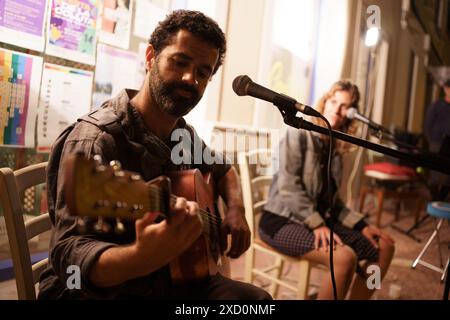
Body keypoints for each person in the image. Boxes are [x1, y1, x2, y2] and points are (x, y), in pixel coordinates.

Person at [38, 10, 271, 300]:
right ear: (150, 57)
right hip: (101, 293)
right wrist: (139, 257)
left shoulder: (181, 135)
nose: (190, 78)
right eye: (180, 62)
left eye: (203, 72)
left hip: (170, 278)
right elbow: (69, 256)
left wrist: (236, 209)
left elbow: (224, 169)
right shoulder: (96, 140)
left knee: (257, 302)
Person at [259, 80, 395, 300]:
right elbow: (288, 186)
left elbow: (334, 202)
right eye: (334, 101)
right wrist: (317, 224)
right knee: (344, 258)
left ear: (351, 114)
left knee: (384, 247)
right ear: (325, 101)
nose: (337, 109)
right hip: (280, 221)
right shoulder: (298, 134)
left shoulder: (335, 149)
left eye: (345, 106)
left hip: (318, 220)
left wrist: (361, 225)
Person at [424, 78, 450, 153]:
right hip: (436, 143)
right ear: (446, 89)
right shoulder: (436, 106)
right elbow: (428, 125)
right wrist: (432, 141)